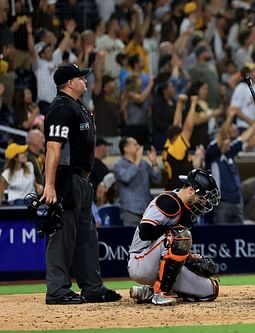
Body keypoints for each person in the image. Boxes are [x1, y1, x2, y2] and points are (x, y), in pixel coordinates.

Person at [41, 63, 121, 304]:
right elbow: (53, 147)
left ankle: (92, 287)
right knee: (63, 234)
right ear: (69, 83)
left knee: (86, 236)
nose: (85, 79)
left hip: (82, 179)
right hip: (67, 177)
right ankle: (57, 290)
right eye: (81, 77)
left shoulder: (77, 107)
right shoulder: (60, 108)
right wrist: (50, 185)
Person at [128, 168, 221, 305]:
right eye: (202, 199)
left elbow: (171, 249)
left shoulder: (187, 212)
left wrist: (189, 257)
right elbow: (145, 232)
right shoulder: (168, 201)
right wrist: (174, 234)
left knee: (210, 291)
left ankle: (149, 292)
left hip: (159, 262)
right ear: (191, 190)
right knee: (179, 236)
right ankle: (161, 293)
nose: (204, 204)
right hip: (140, 261)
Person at [114, 136, 162, 226]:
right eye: (135, 144)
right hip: (130, 211)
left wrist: (154, 162)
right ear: (126, 148)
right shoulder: (119, 164)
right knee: (130, 238)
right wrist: (137, 160)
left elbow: (157, 179)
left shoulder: (143, 164)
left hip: (147, 212)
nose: (139, 146)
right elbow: (126, 177)